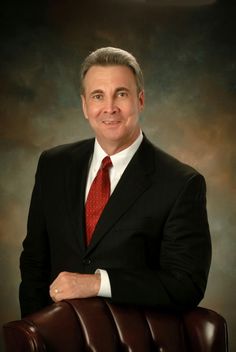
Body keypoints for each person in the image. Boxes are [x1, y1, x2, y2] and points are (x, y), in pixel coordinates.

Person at [19, 47, 212, 317]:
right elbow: (34, 262)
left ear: (140, 101)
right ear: (85, 105)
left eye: (121, 94)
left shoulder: (181, 183)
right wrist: (34, 334)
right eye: (98, 96)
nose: (109, 108)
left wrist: (99, 283)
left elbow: (186, 284)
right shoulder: (53, 165)